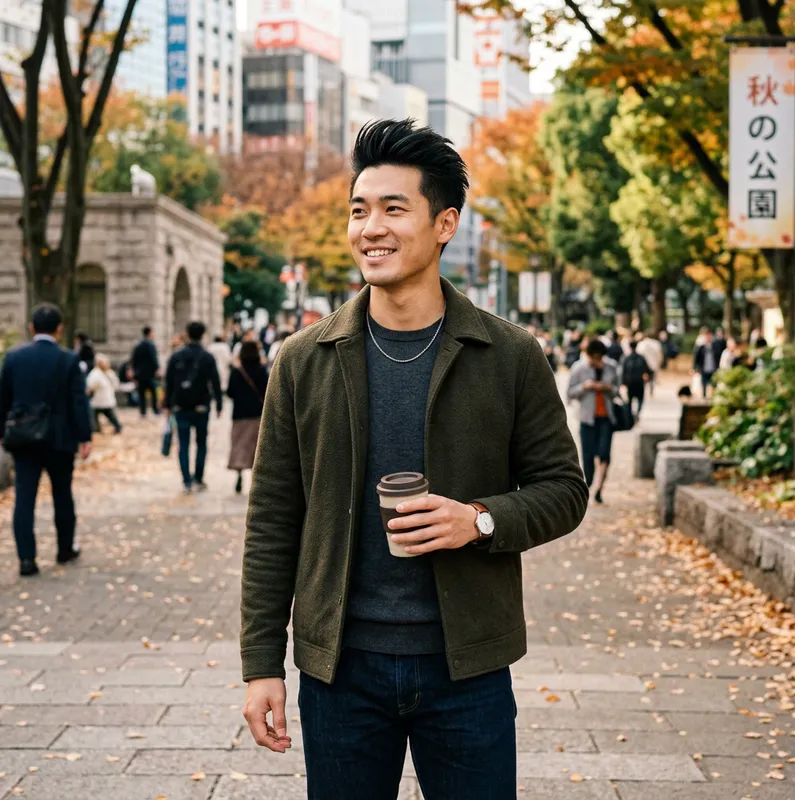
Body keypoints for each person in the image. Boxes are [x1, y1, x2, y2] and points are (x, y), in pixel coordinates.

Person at [240, 119, 589, 800]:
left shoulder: (509, 355)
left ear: (445, 225)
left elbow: (563, 489)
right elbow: (274, 519)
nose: (370, 227)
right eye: (359, 210)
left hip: (467, 671)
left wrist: (479, 519)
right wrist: (262, 665)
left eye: (394, 209)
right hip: (340, 672)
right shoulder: (304, 360)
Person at [0, 304, 93, 577]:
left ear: (31, 328)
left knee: (24, 497)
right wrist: (84, 436)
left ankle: (26, 559)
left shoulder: (14, 359)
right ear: (60, 329)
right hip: (60, 437)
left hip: (24, 437)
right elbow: (78, 401)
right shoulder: (68, 360)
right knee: (62, 493)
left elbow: (3, 399)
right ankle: (65, 548)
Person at [164, 321, 223, 494]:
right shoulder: (207, 357)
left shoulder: (176, 356)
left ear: (187, 334)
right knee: (201, 443)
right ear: (203, 335)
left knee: (183, 443)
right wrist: (218, 403)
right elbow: (215, 381)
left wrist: (167, 404)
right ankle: (198, 477)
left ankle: (186, 480)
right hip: (201, 406)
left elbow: (168, 382)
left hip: (180, 406)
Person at [567, 339, 620, 505]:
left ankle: (599, 489)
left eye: (600, 357)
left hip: (606, 417)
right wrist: (585, 386)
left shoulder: (611, 367)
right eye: (594, 357)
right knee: (587, 455)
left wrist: (608, 388)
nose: (597, 361)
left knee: (604, 454)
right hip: (587, 418)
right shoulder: (579, 368)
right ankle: (588, 483)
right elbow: (569, 392)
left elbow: (617, 390)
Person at [227, 340, 268, 495]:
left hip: (239, 415)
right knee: (256, 447)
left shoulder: (237, 372)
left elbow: (230, 392)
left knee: (239, 445)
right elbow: (267, 392)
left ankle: (238, 474)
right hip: (258, 415)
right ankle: (254, 478)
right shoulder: (262, 370)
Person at [86, 354, 122, 434]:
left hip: (106, 400)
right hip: (98, 401)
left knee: (111, 417)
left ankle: (117, 427)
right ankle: (96, 429)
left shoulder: (109, 373)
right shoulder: (95, 373)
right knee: (95, 418)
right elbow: (90, 386)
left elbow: (116, 384)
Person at [130, 326, 161, 417]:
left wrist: (135, 371)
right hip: (149, 373)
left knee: (141, 393)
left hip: (140, 373)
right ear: (150, 333)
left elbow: (134, 359)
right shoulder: (150, 344)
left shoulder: (138, 344)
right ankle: (155, 410)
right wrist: (157, 369)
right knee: (153, 392)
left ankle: (143, 411)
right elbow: (153, 358)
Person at [620, 340, 651, 421]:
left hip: (630, 382)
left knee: (629, 400)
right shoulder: (641, 357)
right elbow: (647, 369)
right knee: (640, 399)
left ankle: (631, 415)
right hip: (639, 382)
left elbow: (623, 371)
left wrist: (623, 382)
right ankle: (637, 413)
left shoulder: (626, 358)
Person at [693, 328, 719, 398]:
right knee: (703, 385)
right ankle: (704, 397)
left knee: (714, 385)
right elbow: (696, 357)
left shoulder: (715, 345)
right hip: (704, 369)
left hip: (713, 369)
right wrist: (694, 368)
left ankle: (714, 397)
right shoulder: (700, 346)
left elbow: (718, 357)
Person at [636, 331, 662, 397]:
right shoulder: (656, 344)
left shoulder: (641, 344)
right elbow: (659, 355)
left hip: (643, 365)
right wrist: (658, 364)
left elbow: (638, 354)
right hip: (653, 364)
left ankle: (644, 390)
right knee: (652, 379)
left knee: (644, 378)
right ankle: (651, 390)